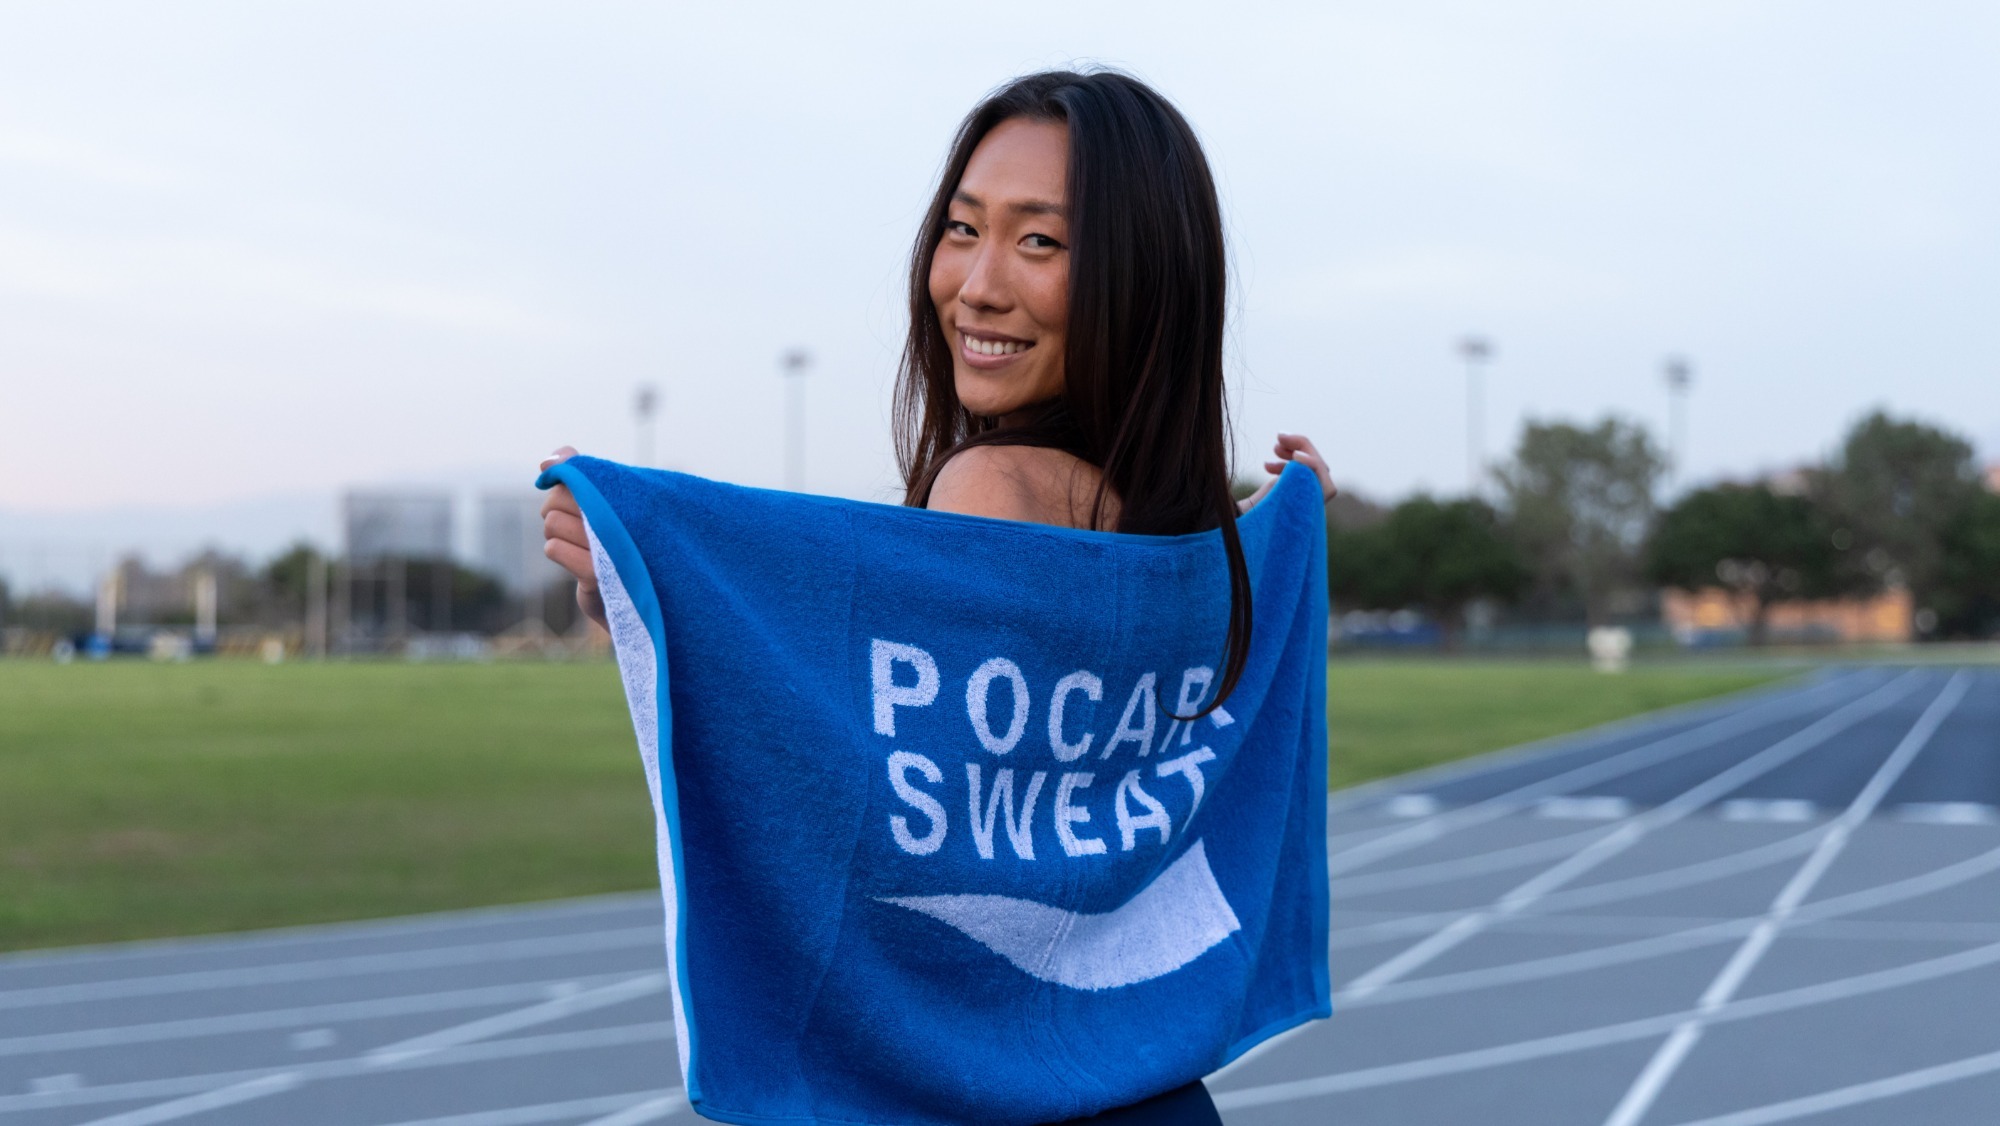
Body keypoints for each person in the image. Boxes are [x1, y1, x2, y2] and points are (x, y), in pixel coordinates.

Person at [542, 68, 1334, 1126]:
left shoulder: (992, 486)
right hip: (1155, 1092)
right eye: (962, 230)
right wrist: (1287, 528)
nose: (975, 284)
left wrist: (666, 592)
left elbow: (882, 831)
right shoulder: (1190, 540)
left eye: (1039, 242)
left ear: (1139, 279)